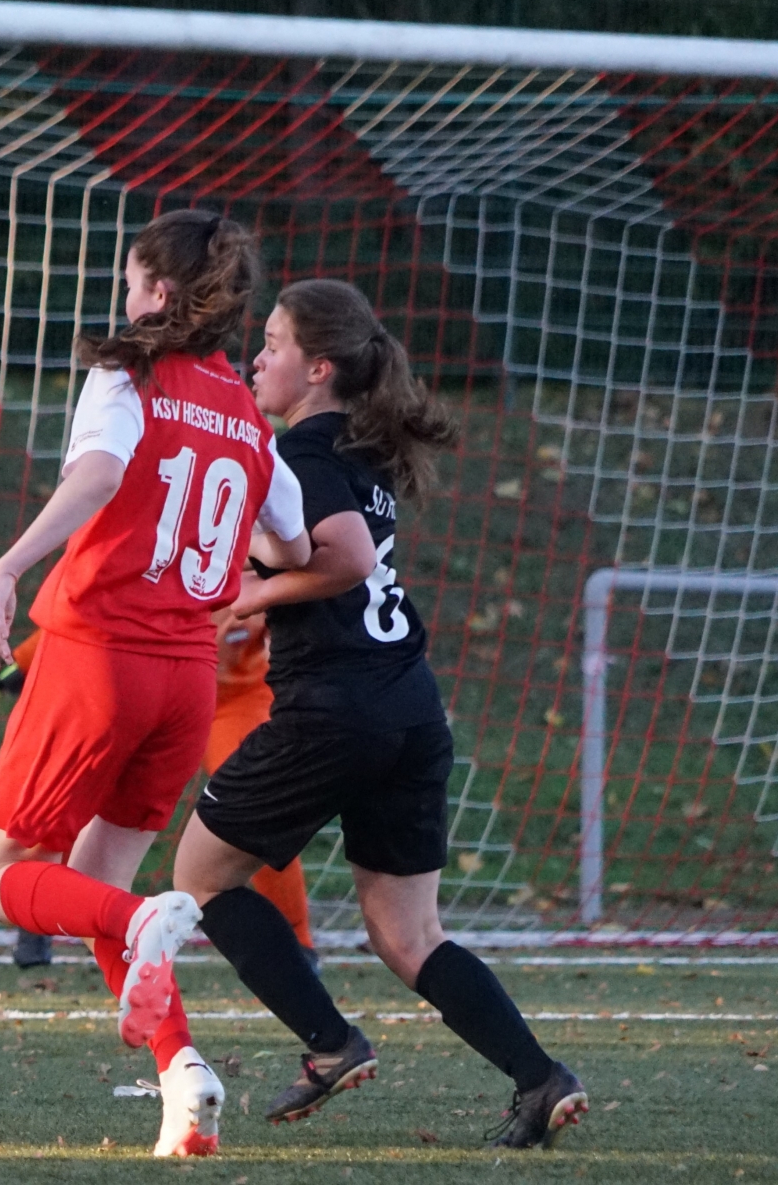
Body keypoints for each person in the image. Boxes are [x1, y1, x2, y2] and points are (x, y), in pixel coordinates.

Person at [172, 278, 589, 1150]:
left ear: (319, 368)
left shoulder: (303, 453)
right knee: (408, 935)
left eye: (274, 345)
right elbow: (339, 554)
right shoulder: (357, 455)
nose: (256, 360)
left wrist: (249, 596)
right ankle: (540, 1078)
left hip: (335, 708)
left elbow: (350, 560)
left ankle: (331, 1045)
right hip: (409, 708)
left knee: (201, 878)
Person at [0, 209, 311, 1158]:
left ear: (159, 292)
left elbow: (99, 473)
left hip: (99, 658)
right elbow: (292, 545)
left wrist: (13, 562)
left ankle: (147, 920)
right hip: (188, 679)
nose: (124, 301)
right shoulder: (247, 416)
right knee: (96, 881)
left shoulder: (128, 371)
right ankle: (183, 1077)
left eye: (131, 283)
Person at [0, 617, 317, 972]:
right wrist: (16, 664)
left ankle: (298, 945)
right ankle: (44, 923)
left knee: (255, 814)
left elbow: (306, 589)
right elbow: (93, 607)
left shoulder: (261, 582)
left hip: (228, 694)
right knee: (77, 801)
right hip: (152, 680)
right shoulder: (164, 584)